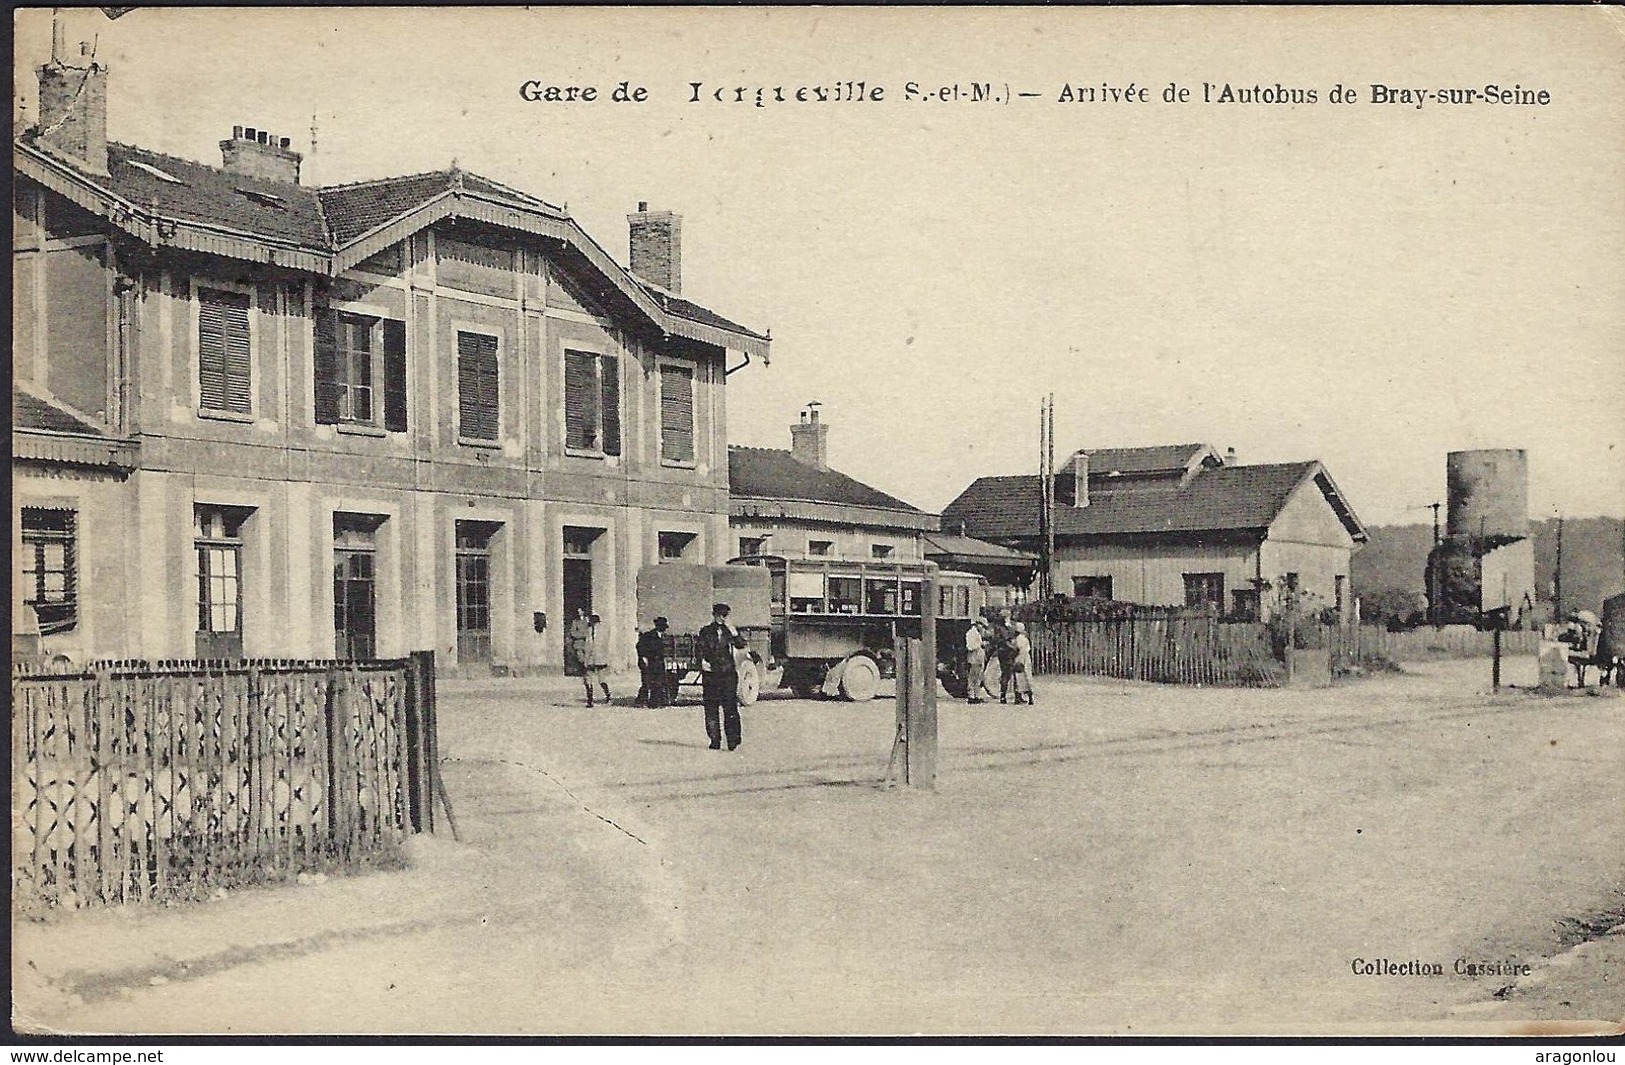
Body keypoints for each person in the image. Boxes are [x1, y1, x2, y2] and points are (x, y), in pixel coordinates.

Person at [696, 601, 747, 750]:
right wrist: (702, 662)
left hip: (728, 674)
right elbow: (699, 649)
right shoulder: (705, 631)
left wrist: (734, 631)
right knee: (711, 708)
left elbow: (741, 645)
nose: (722, 618)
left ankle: (732, 740)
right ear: (714, 615)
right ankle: (714, 739)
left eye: (725, 616)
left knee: (730, 708)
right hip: (711, 674)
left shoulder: (729, 632)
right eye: (719, 615)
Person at [635, 617, 670, 708]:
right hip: (648, 662)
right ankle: (641, 701)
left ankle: (654, 703)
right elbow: (639, 646)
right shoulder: (648, 635)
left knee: (657, 683)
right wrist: (643, 657)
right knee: (647, 682)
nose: (664, 629)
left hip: (657, 663)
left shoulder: (661, 636)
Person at [582, 613, 611, 707]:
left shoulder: (593, 631)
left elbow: (588, 645)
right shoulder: (596, 630)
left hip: (595, 657)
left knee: (589, 678)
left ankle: (591, 700)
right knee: (599, 678)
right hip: (597, 658)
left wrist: (586, 659)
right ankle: (606, 696)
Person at [964, 618, 996, 704]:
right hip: (974, 658)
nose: (982, 628)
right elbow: (970, 646)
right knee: (972, 677)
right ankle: (971, 695)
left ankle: (976, 695)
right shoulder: (971, 633)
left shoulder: (977, 633)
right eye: (982, 625)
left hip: (978, 658)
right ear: (977, 624)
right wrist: (980, 645)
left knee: (978, 677)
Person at [994, 613, 1019, 704]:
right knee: (1008, 673)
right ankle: (1004, 695)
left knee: (1009, 674)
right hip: (1006, 653)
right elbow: (1004, 640)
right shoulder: (1001, 628)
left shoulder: (1008, 626)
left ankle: (1010, 695)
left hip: (1007, 652)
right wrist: (1013, 647)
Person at [1010, 621, 1035, 705]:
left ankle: (1018, 696)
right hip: (1026, 658)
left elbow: (1017, 649)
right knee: (1027, 676)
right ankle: (1030, 697)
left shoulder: (1017, 639)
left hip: (1019, 658)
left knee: (1018, 677)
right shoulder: (1025, 638)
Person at [567, 608, 591, 677]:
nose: (579, 613)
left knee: (587, 658)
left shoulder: (587, 620)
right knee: (581, 658)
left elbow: (591, 629)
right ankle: (583, 671)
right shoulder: (575, 622)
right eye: (577, 612)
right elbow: (573, 632)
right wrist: (582, 635)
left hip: (587, 643)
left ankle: (587, 673)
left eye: (580, 611)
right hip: (579, 643)